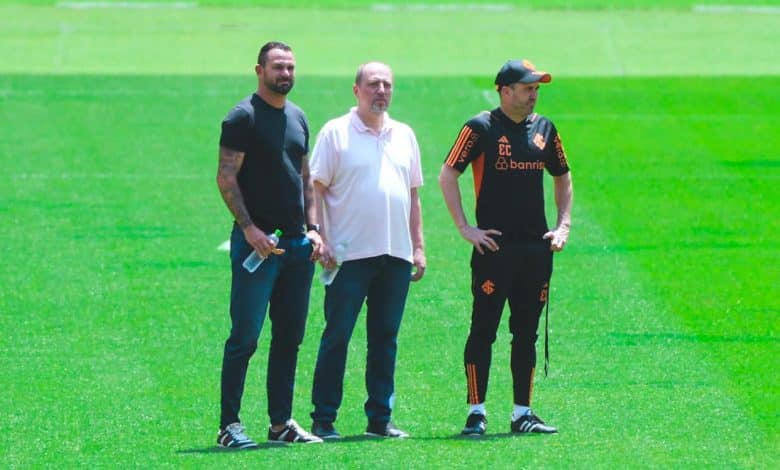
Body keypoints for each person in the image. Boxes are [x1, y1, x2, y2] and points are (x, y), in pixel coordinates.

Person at [438, 59, 573, 436]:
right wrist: (465, 228)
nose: (534, 95)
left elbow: (563, 176)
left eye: (536, 89)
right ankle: (476, 412)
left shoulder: (545, 129)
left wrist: (562, 225)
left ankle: (522, 413)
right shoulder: (480, 128)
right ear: (505, 90)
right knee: (483, 330)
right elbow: (448, 174)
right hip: (493, 250)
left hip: (535, 251)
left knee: (527, 333)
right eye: (528, 88)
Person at [307, 62, 426, 440]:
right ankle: (323, 418)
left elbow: (413, 195)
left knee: (385, 338)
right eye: (373, 84)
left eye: (387, 85)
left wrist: (418, 246)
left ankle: (380, 418)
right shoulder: (336, 132)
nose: (381, 91)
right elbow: (315, 188)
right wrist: (319, 235)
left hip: (395, 255)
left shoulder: (404, 134)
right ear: (356, 90)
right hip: (347, 255)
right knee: (338, 335)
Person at [215, 41, 324, 448]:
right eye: (278, 67)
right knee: (245, 337)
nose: (285, 74)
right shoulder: (242, 117)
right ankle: (229, 426)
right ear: (259, 70)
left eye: (290, 67)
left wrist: (313, 228)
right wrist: (249, 229)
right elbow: (226, 176)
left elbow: (304, 177)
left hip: (296, 247)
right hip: (258, 247)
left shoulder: (298, 117)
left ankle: (280, 424)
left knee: (289, 337)